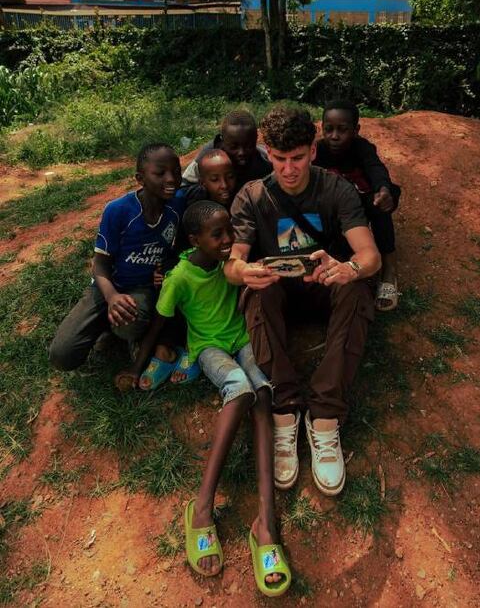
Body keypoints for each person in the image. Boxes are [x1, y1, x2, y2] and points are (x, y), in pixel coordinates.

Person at [116, 201, 291, 596]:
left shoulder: (228, 265)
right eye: (219, 235)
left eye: (230, 231)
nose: (228, 240)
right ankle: (202, 507)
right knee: (242, 391)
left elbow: (244, 272)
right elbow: (160, 321)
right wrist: (137, 367)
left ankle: (267, 522)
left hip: (241, 339)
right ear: (195, 240)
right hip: (210, 347)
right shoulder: (180, 277)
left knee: (264, 393)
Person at [226, 106, 382, 498]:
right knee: (255, 292)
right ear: (267, 153)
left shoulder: (336, 189)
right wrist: (245, 272)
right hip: (279, 292)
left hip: (324, 286)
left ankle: (325, 415)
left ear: (312, 152)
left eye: (297, 158)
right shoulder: (252, 195)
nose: (289, 169)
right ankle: (284, 407)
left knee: (357, 288)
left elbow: (370, 256)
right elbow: (233, 263)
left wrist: (347, 268)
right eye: (279, 159)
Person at [48, 144, 185, 375]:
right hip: (107, 287)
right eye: (160, 173)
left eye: (176, 171)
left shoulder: (177, 205)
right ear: (140, 178)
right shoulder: (118, 210)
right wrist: (111, 296)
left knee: (130, 323)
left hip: (142, 289)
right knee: (62, 356)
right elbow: (100, 264)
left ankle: (119, 332)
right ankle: (104, 322)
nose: (171, 179)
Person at [313, 100, 402, 312]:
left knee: (380, 208)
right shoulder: (318, 151)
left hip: (362, 202)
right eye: (329, 129)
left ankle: (389, 270)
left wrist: (383, 189)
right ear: (322, 128)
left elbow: (375, 168)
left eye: (342, 130)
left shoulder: (362, 148)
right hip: (333, 207)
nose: (334, 136)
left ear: (356, 130)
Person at [182, 110, 273, 187]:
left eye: (248, 146)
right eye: (234, 147)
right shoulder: (206, 157)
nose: (241, 152)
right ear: (222, 141)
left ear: (256, 140)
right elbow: (185, 185)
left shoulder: (264, 162)